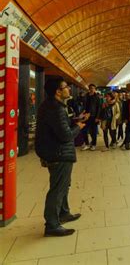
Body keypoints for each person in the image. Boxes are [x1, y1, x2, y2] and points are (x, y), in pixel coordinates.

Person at [35, 77, 86, 237]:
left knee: (63, 185)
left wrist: (74, 120)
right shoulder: (56, 109)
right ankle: (52, 224)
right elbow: (65, 136)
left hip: (55, 152)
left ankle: (63, 213)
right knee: (57, 189)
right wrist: (78, 126)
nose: (69, 89)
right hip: (59, 153)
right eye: (66, 87)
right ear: (58, 91)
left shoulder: (50, 106)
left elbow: (58, 127)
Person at [82, 84, 100, 151]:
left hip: (93, 116)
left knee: (93, 132)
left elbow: (99, 108)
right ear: (89, 89)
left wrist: (97, 117)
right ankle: (87, 144)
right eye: (90, 88)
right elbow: (84, 105)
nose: (91, 89)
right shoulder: (86, 96)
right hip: (86, 116)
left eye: (93, 88)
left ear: (95, 89)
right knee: (84, 130)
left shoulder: (97, 97)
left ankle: (93, 144)